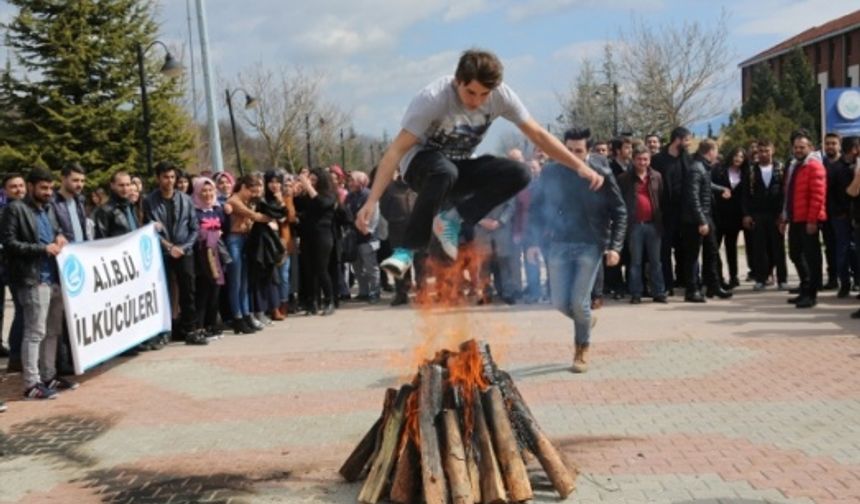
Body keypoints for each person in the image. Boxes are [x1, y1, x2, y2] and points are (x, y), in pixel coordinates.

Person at [356, 49, 603, 279]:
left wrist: (578, 166)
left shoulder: (502, 96)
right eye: (470, 92)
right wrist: (372, 200)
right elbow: (396, 150)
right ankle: (406, 251)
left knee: (521, 172)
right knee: (444, 170)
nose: (476, 101)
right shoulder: (433, 98)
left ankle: (452, 219)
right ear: (457, 81)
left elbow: (538, 134)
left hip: (459, 168)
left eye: (484, 94)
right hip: (421, 167)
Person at [526, 128, 626, 373]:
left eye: (578, 151)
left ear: (588, 151)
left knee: (579, 301)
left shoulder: (601, 172)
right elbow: (535, 209)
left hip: (590, 244)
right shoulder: (550, 172)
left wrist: (615, 247)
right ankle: (587, 321)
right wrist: (532, 243)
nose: (572, 155)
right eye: (567, 150)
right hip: (558, 244)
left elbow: (620, 210)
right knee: (559, 302)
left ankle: (581, 349)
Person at [0, 167, 76, 399]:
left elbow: (55, 231)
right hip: (32, 279)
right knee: (35, 332)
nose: (47, 192)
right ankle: (31, 383)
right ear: (30, 187)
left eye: (50, 188)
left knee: (52, 331)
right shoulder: (15, 209)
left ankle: (48, 375)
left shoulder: (48, 209)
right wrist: (42, 249)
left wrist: (59, 236)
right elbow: (10, 244)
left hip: (53, 278)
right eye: (42, 188)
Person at [143, 161, 208, 344]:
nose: (170, 181)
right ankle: (164, 331)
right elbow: (150, 229)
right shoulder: (149, 201)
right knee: (163, 292)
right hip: (162, 252)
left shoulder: (185, 200)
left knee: (188, 291)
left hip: (184, 251)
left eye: (172, 177)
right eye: (165, 177)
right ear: (158, 178)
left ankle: (190, 330)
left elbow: (194, 228)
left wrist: (184, 247)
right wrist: (169, 247)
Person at [681, 139, 733, 303]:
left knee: (712, 252)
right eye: (716, 151)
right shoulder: (696, 168)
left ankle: (714, 285)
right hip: (696, 219)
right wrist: (701, 221)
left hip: (706, 216)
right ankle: (692, 290)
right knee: (692, 255)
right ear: (710, 151)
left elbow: (707, 185)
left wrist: (721, 189)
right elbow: (693, 197)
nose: (717, 154)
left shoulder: (703, 167)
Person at [783, 131, 827, 309]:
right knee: (794, 253)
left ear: (810, 147)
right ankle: (805, 287)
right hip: (795, 218)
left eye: (802, 147)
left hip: (809, 220)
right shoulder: (795, 165)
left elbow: (818, 196)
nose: (798, 150)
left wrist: (812, 221)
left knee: (812, 257)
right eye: (796, 147)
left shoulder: (814, 166)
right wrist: (784, 216)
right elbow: (789, 194)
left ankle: (811, 294)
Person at [618, 145, 666, 303]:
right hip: (634, 226)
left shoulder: (657, 176)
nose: (642, 162)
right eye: (639, 159)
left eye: (645, 159)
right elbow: (620, 202)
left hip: (654, 225)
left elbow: (662, 197)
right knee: (635, 262)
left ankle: (659, 292)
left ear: (649, 160)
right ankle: (636, 293)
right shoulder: (624, 178)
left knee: (656, 261)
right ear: (633, 160)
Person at [225, 175, 270, 333]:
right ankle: (237, 317)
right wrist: (269, 217)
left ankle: (245, 314)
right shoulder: (234, 201)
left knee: (244, 282)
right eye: (250, 190)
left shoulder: (246, 201)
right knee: (235, 281)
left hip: (245, 239)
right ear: (243, 187)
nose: (253, 194)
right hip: (234, 240)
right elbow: (254, 216)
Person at [741, 140, 788, 291]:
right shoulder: (751, 171)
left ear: (772, 150)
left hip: (776, 215)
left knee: (778, 248)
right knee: (759, 249)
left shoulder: (781, 168)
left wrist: (784, 213)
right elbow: (745, 195)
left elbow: (785, 192)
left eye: (767, 150)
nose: (764, 154)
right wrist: (747, 214)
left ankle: (782, 279)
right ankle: (761, 279)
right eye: (761, 151)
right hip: (758, 214)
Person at [652, 127, 692, 295]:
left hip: (685, 210)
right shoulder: (658, 159)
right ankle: (667, 284)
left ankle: (683, 279)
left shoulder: (687, 158)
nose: (688, 143)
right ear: (677, 139)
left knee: (684, 247)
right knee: (665, 249)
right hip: (665, 211)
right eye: (687, 140)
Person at [294, 168, 338, 315]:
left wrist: (308, 186)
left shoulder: (329, 195)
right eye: (309, 179)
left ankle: (329, 301)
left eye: (314, 180)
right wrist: (296, 190)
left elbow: (321, 204)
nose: (310, 183)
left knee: (321, 269)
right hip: (307, 236)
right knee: (309, 270)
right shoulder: (307, 196)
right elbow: (297, 207)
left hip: (323, 236)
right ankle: (313, 302)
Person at [192, 177, 229, 337]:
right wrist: (212, 234)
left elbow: (225, 227)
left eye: (210, 190)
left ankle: (212, 324)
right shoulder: (194, 211)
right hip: (202, 257)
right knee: (203, 292)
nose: (207, 194)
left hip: (217, 256)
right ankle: (200, 326)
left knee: (216, 291)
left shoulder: (218, 209)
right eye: (203, 191)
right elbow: (196, 232)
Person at [2, 173, 28, 374]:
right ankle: (16, 357)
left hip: (25, 269)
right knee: (21, 312)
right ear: (5, 190)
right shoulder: (9, 210)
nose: (19, 189)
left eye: (21, 185)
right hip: (17, 270)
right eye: (13, 187)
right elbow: (10, 242)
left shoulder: (26, 207)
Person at [825, 136, 857, 298]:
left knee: (853, 250)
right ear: (852, 149)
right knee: (843, 250)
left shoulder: (853, 165)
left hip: (853, 216)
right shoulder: (840, 168)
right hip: (842, 216)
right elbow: (843, 194)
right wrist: (843, 211)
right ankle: (844, 283)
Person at [712, 147, 747, 289]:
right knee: (715, 247)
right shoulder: (718, 169)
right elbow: (711, 187)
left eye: (741, 157)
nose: (738, 159)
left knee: (731, 247)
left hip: (735, 216)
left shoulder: (745, 173)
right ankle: (717, 277)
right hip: (719, 214)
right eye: (736, 156)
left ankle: (734, 276)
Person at [345, 171, 381, 303]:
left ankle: (375, 292)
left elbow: (374, 215)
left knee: (371, 267)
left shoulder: (369, 195)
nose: (350, 184)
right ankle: (363, 292)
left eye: (352, 181)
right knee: (358, 267)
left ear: (361, 182)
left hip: (368, 237)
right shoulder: (349, 197)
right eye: (349, 181)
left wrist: (367, 229)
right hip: (354, 238)